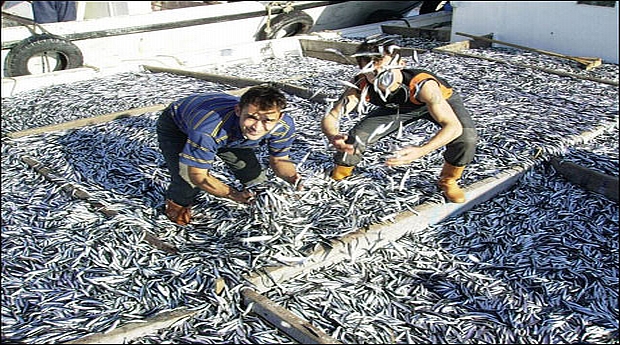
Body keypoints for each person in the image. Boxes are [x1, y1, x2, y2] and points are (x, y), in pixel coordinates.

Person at [321, 36, 478, 203]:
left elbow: (453, 127)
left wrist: (422, 150)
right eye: (372, 73)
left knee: (466, 138)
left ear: (401, 64)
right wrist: (333, 136)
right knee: (356, 137)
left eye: (386, 70)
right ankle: (339, 175)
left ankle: (448, 180)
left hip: (437, 102)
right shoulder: (360, 84)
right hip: (398, 108)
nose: (380, 78)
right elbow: (332, 115)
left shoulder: (423, 85)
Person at [157, 85, 303, 225]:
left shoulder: (283, 127)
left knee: (253, 174)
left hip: (231, 130)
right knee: (186, 181)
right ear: (238, 110)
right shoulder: (207, 131)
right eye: (252, 117)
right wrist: (233, 194)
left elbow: (279, 160)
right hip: (177, 124)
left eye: (267, 120)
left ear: (279, 117)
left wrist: (292, 178)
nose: (257, 127)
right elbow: (198, 176)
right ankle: (176, 207)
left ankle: (262, 207)